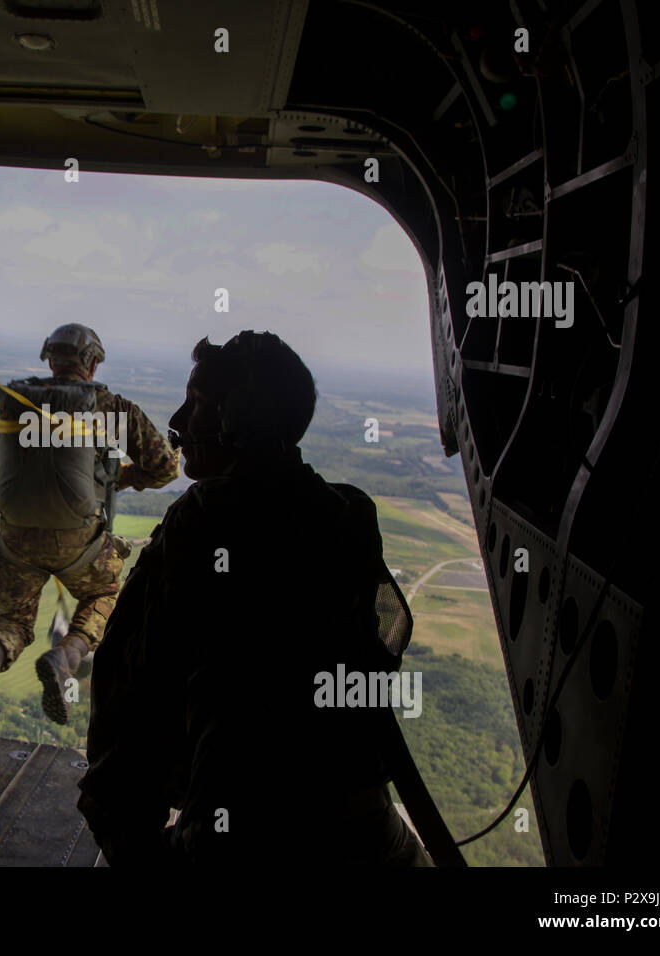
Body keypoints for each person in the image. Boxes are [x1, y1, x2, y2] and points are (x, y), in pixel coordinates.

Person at [76, 331, 432, 865]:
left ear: (238, 418)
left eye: (197, 403)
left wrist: (123, 826)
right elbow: (381, 646)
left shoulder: (202, 520)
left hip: (240, 836)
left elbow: (129, 690)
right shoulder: (350, 514)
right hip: (369, 834)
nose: (178, 419)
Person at [0, 324, 179, 732]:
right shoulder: (110, 407)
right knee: (105, 595)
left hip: (16, 540)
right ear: (91, 363)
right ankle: (67, 657)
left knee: (13, 619)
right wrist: (121, 477)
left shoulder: (15, 400)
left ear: (50, 359)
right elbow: (164, 469)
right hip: (81, 545)